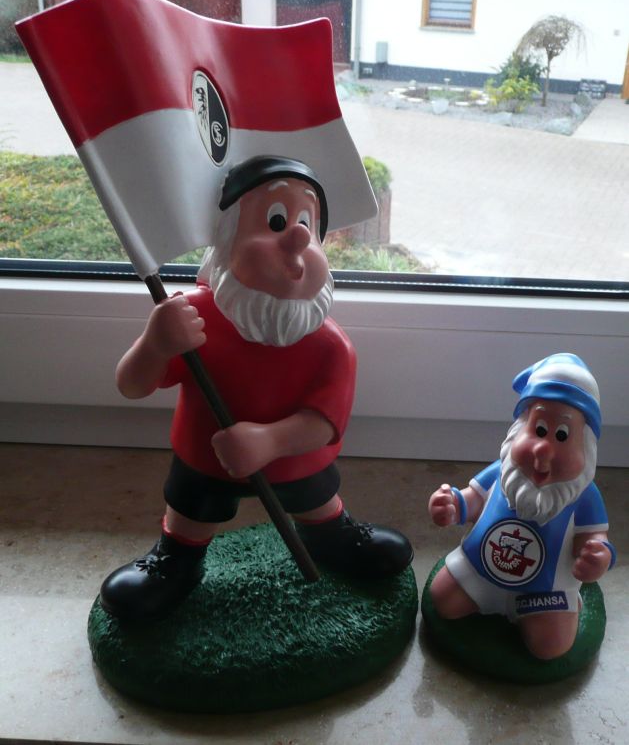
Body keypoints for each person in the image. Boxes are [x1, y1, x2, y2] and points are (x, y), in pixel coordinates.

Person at [100, 155, 413, 620]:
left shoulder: (330, 345)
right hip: (205, 458)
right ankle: (177, 559)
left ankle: (331, 535)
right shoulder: (191, 319)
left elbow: (324, 423)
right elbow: (131, 384)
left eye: (307, 223)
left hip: (295, 462)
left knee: (316, 499)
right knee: (190, 508)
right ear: (227, 241)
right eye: (276, 221)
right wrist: (155, 344)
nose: (298, 238)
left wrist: (269, 440)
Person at [428, 353, 614, 660]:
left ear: (586, 445)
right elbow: (472, 500)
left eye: (562, 435)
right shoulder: (502, 472)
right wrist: (452, 505)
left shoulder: (584, 496)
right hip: (480, 568)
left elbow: (593, 538)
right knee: (443, 598)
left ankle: (547, 613)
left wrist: (596, 556)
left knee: (551, 645)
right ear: (520, 427)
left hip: (544, 592)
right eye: (539, 430)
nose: (543, 449)